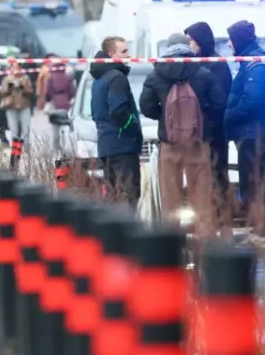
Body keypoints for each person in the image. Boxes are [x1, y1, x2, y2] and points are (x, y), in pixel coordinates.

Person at [139, 33, 226, 236]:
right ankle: (206, 246)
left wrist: (163, 118)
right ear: (187, 47)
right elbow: (219, 104)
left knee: (171, 199)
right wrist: (205, 123)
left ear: (167, 49)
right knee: (202, 199)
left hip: (169, 145)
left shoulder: (157, 74)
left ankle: (172, 248)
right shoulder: (202, 72)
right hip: (197, 144)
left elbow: (146, 106)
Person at [223, 20, 265, 237]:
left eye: (230, 39)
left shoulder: (255, 64)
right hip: (249, 134)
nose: (228, 44)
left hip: (252, 134)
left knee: (255, 184)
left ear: (239, 40)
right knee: (254, 182)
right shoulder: (250, 62)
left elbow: (251, 102)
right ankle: (260, 228)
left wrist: (226, 117)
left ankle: (262, 230)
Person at [184, 21, 233, 236]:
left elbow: (220, 102)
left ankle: (224, 225)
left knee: (218, 180)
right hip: (199, 135)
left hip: (215, 135)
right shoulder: (194, 64)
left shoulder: (217, 65)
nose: (189, 45)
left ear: (200, 41)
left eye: (191, 40)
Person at [89, 36, 143, 207]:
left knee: (113, 197)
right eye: (124, 51)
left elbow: (95, 113)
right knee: (128, 196)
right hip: (123, 148)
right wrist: (133, 127)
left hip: (106, 147)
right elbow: (118, 111)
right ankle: (126, 233)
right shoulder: (116, 77)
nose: (129, 55)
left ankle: (114, 233)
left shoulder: (98, 80)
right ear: (112, 54)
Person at [0, 62, 34, 172]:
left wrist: (22, 87)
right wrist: (10, 87)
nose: (16, 70)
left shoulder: (26, 78)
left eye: (17, 68)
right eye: (13, 68)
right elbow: (2, 92)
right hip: (11, 107)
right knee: (14, 131)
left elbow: (30, 92)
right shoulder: (7, 79)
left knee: (24, 130)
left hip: (24, 107)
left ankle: (22, 151)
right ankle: (14, 159)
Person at [43, 59, 76, 153]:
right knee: (65, 126)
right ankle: (66, 147)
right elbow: (72, 91)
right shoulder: (67, 77)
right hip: (66, 104)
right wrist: (67, 98)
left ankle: (56, 148)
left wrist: (49, 99)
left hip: (55, 105)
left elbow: (47, 92)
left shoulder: (50, 77)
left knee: (55, 128)